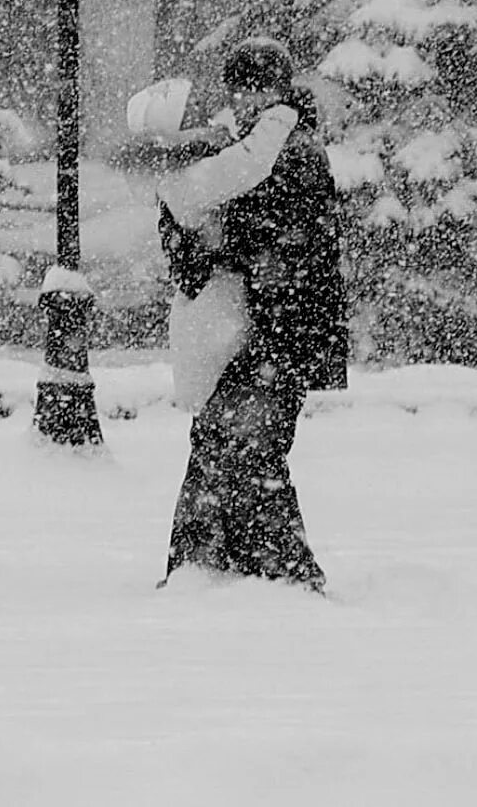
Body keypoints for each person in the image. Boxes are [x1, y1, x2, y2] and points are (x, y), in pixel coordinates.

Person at [154, 38, 348, 594]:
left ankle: (261, 571)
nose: (244, 101)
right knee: (231, 445)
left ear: (277, 90)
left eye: (254, 89)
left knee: (246, 449)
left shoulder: (289, 152)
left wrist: (203, 233)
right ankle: (228, 566)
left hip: (280, 331)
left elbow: (273, 239)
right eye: (239, 90)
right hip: (267, 330)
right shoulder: (260, 148)